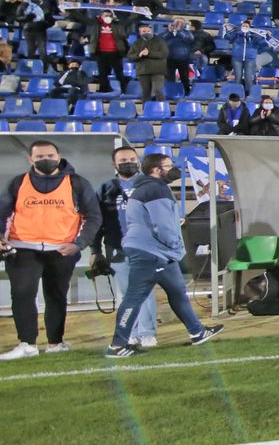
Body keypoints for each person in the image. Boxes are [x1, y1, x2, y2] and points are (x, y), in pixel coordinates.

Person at [103, 153, 223, 357]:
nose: (173, 169)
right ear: (157, 170)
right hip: (151, 251)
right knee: (134, 298)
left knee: (177, 292)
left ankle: (197, 332)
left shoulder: (146, 187)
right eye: (169, 166)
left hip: (156, 251)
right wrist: (175, 245)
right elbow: (163, 225)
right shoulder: (155, 189)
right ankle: (117, 345)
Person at [0, 141, 102, 360]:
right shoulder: (18, 183)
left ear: (59, 156)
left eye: (49, 155)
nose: (45, 160)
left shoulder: (77, 183)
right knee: (22, 294)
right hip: (22, 249)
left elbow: (93, 216)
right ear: (30, 160)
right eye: (39, 157)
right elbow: (2, 212)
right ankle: (27, 344)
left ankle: (56, 343)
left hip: (62, 250)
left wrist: (79, 243)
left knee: (56, 296)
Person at [92, 146, 158, 348]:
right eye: (123, 160)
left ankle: (147, 332)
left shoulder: (150, 185)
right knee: (127, 293)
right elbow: (97, 221)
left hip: (146, 247)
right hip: (116, 247)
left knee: (145, 290)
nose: (128, 162)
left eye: (131, 158)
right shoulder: (105, 188)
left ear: (138, 161)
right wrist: (95, 250)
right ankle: (131, 331)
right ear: (114, 164)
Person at [129, 21, 168, 101]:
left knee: (158, 91)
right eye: (144, 31)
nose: (146, 33)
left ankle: (161, 109)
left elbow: (164, 54)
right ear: (140, 33)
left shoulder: (160, 41)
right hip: (143, 72)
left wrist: (149, 53)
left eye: (148, 31)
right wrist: (139, 55)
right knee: (145, 93)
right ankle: (146, 110)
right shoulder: (136, 43)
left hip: (158, 71)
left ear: (151, 31)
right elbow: (130, 56)